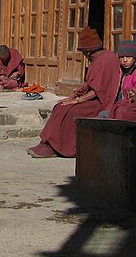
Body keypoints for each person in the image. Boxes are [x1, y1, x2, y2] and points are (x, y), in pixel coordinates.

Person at [27, 26, 120, 158]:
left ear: (87, 52)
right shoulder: (97, 59)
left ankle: (59, 148)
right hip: (92, 98)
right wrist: (71, 97)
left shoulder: (107, 59)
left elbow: (98, 90)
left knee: (71, 110)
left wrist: (76, 100)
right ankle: (47, 143)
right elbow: (90, 86)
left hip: (101, 102)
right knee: (59, 106)